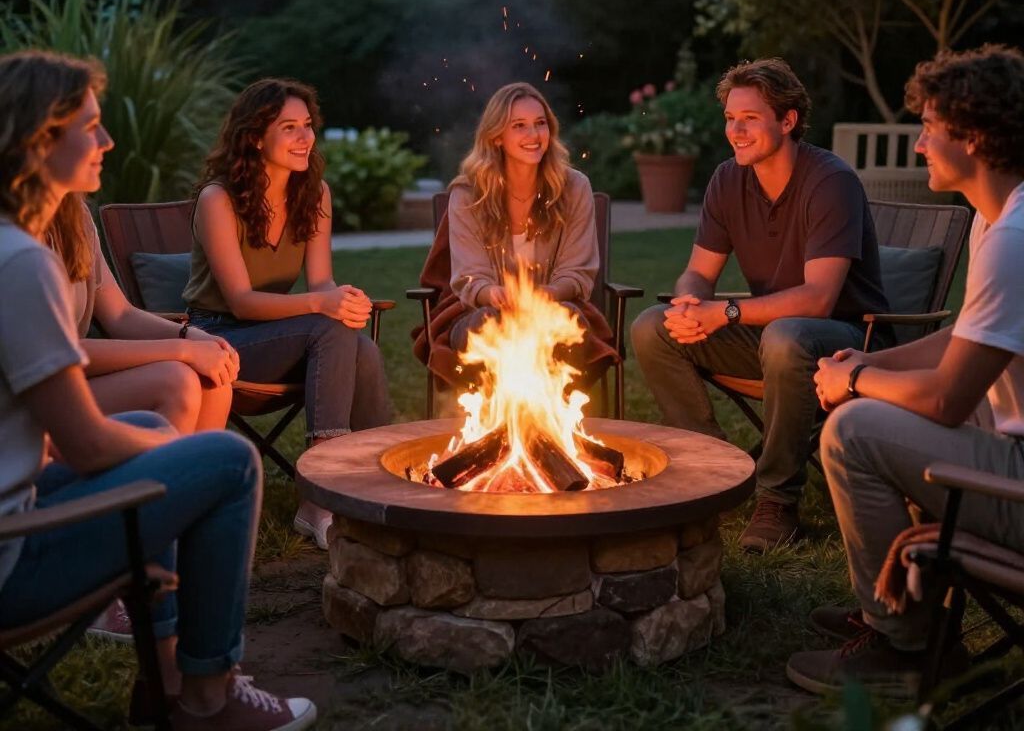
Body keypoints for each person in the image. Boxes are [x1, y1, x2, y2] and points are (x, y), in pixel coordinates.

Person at [0, 49, 316, 730]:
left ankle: (165, 681)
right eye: (90, 126)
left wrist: (187, 341)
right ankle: (207, 696)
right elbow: (85, 446)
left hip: (19, 501)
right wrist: (175, 457)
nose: (108, 140)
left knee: (153, 432)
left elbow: (113, 321)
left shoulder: (37, 236)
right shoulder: (19, 262)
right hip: (13, 553)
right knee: (227, 461)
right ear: (39, 139)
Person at [786, 45, 1024, 696]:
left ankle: (905, 645)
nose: (919, 145)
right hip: (1011, 452)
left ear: (973, 137)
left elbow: (948, 400)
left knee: (855, 430)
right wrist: (871, 361)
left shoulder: (1013, 238)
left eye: (929, 128)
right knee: (879, 408)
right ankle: (904, 606)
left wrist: (853, 383)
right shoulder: (998, 217)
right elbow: (966, 336)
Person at [631, 58, 891, 552]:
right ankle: (710, 472)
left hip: (847, 343)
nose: (736, 131)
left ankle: (777, 501)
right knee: (652, 327)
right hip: (774, 340)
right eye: (731, 118)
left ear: (787, 120)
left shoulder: (829, 181)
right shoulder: (728, 180)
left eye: (749, 118)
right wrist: (690, 302)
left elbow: (818, 299)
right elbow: (699, 271)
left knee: (786, 335)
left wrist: (725, 312)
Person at [184, 78, 390, 549]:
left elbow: (320, 284)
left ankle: (379, 483)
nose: (305, 138)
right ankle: (319, 494)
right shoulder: (219, 199)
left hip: (279, 336)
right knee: (330, 326)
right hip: (217, 339)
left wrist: (343, 299)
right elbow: (241, 301)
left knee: (361, 349)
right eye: (289, 128)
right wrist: (322, 305)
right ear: (256, 137)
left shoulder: (314, 194)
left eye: (308, 125)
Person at [413, 82, 616, 395]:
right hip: (481, 310)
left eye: (540, 123)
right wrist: (494, 294)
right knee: (490, 324)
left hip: (554, 306)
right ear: (496, 136)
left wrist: (544, 295)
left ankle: (548, 417)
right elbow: (471, 276)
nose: (533, 135)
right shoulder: (469, 194)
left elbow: (576, 272)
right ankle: (502, 418)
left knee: (567, 322)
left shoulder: (574, 187)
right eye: (519, 126)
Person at [47, 191, 238, 433]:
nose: (103, 155)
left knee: (214, 382)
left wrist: (190, 335)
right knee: (175, 382)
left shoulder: (75, 217)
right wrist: (184, 350)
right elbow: (56, 352)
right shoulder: (17, 236)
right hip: (32, 393)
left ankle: (191, 460)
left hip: (73, 379)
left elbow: (120, 315)